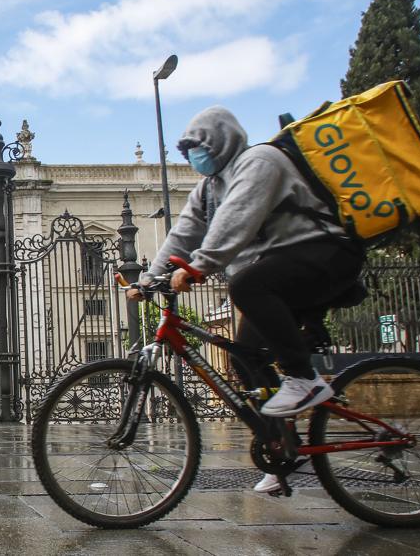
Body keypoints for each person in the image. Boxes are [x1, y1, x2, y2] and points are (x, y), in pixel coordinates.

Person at [128, 106, 364, 491]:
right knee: (245, 358)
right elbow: (183, 232)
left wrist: (198, 266)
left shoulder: (260, 160)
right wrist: (150, 279)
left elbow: (234, 222)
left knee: (246, 286)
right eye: (187, 152)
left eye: (198, 148)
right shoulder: (209, 188)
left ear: (222, 140)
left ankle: (304, 378)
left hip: (327, 254)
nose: (193, 158)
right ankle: (282, 449)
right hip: (282, 270)